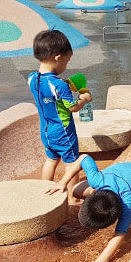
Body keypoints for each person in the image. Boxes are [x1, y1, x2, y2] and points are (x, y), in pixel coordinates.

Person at [27, 30, 92, 199]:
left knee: (51, 160)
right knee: (72, 162)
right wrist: (84, 100)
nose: (66, 66)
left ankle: (44, 190)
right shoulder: (60, 87)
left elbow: (48, 91)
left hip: (46, 130)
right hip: (63, 131)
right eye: (67, 61)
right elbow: (72, 108)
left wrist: (63, 85)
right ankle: (72, 197)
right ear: (58, 58)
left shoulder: (32, 78)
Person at [67, 154, 131, 262]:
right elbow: (84, 158)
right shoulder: (96, 180)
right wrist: (63, 181)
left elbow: (120, 234)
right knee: (75, 190)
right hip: (117, 173)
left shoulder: (127, 203)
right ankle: (95, 194)